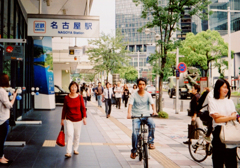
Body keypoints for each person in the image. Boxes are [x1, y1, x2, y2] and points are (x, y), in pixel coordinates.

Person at [209, 79, 239, 168]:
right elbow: (217, 120)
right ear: (218, 88)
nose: (226, 90)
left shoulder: (229, 101)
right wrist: (230, 117)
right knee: (218, 161)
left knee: (232, 161)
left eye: (227, 88)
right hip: (219, 132)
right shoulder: (213, 101)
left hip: (230, 132)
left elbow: (234, 115)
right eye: (224, 87)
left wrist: (222, 117)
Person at [127, 78, 158, 159]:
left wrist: (154, 111)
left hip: (146, 116)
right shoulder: (134, 95)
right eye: (140, 84)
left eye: (143, 84)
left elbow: (152, 104)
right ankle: (134, 151)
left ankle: (151, 142)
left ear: (145, 85)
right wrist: (129, 114)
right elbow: (130, 105)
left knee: (152, 124)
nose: (141, 86)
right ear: (137, 85)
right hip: (136, 116)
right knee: (134, 133)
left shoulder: (148, 94)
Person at [61, 81, 87, 158]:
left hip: (78, 119)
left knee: (77, 135)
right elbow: (64, 109)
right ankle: (68, 152)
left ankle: (75, 149)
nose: (73, 88)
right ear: (70, 88)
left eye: (75, 87)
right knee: (69, 134)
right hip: (69, 119)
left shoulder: (80, 97)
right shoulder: (66, 97)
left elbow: (83, 108)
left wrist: (84, 118)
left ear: (77, 88)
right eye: (72, 87)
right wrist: (62, 119)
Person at [0, 73, 17, 164]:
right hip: (3, 119)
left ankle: (2, 156)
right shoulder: (2, 91)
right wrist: (14, 97)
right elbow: (9, 105)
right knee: (2, 139)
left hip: (2, 118)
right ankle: (0, 157)